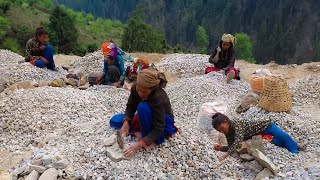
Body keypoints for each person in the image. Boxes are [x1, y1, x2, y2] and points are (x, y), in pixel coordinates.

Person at [111, 69, 178, 157]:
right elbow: (131, 106)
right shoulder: (135, 87)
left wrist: (140, 143)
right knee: (114, 121)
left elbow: (159, 127)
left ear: (152, 89)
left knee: (142, 107)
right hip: (145, 116)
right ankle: (141, 132)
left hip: (162, 122)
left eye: (145, 92)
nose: (140, 94)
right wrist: (126, 122)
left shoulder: (158, 96)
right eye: (139, 90)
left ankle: (148, 139)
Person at [211, 113, 299, 161]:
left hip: (267, 127)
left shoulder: (236, 124)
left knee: (284, 136)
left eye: (222, 128)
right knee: (277, 142)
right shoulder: (228, 133)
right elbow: (232, 146)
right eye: (220, 131)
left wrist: (225, 155)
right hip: (260, 135)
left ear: (226, 122)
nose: (222, 132)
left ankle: (295, 151)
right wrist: (222, 148)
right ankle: (292, 144)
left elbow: (238, 141)